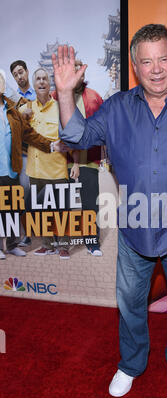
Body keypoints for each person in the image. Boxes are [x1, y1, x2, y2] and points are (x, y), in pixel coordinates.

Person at [52, 24, 167, 397]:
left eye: (163, 59)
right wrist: (67, 93)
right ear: (135, 65)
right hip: (134, 225)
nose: (156, 69)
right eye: (146, 61)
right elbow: (76, 138)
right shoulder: (117, 107)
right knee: (130, 303)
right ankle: (131, 363)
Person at [0, 69, 63, 259]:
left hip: (11, 169)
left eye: (1, 80)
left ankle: (11, 245)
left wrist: (50, 145)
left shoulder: (11, 109)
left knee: (11, 208)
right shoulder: (20, 108)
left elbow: (29, 134)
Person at [19, 68, 73, 260]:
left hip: (56, 170)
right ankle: (48, 245)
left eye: (44, 79)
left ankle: (64, 246)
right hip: (35, 171)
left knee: (62, 210)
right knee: (42, 211)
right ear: (33, 85)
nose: (41, 82)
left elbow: (71, 136)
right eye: (38, 79)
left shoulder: (61, 108)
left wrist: (71, 156)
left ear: (49, 84)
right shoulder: (26, 110)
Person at [52, 59, 103, 256]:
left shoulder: (94, 97)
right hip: (62, 162)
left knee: (90, 204)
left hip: (89, 161)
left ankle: (92, 242)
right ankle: (62, 244)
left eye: (79, 72)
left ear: (83, 75)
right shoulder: (56, 97)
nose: (76, 76)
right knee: (62, 204)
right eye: (72, 72)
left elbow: (102, 129)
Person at [10, 60, 36, 247]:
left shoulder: (40, 93)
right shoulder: (12, 99)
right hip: (23, 154)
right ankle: (26, 233)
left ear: (27, 71)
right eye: (15, 74)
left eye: (21, 72)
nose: (19, 76)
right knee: (24, 191)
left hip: (41, 153)